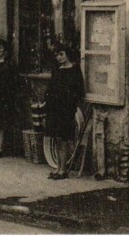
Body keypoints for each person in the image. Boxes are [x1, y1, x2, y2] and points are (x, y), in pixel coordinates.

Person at [45, 43, 85, 180]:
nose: (59, 57)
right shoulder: (57, 70)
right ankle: (58, 167)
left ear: (67, 54)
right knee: (56, 139)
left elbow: (79, 91)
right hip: (54, 108)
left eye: (61, 54)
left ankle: (63, 170)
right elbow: (50, 89)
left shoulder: (74, 70)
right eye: (57, 55)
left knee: (64, 138)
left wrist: (70, 104)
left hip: (66, 109)